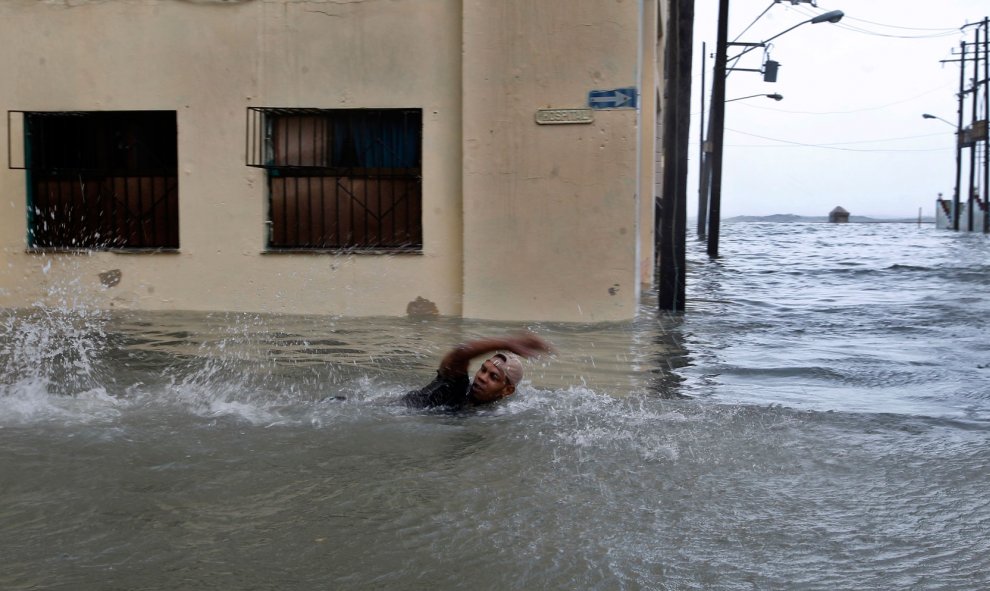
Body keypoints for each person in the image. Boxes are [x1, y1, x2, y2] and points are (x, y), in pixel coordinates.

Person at [403, 333, 553, 409]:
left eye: (493, 377)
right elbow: (459, 355)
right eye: (483, 370)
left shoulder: (498, 412)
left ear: (508, 390)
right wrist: (506, 343)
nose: (481, 377)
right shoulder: (455, 389)